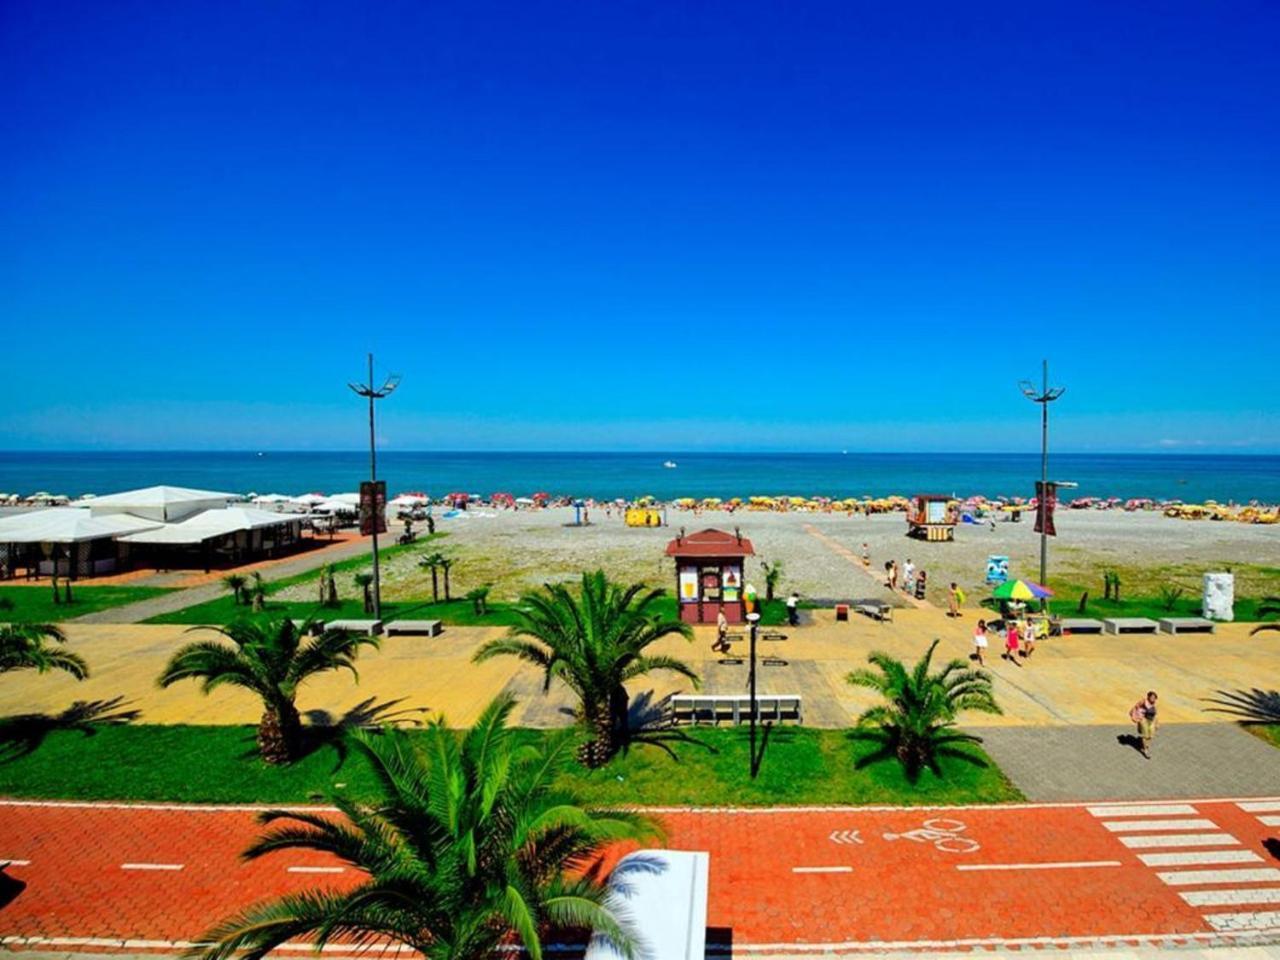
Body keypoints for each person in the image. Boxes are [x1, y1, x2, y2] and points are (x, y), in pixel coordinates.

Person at [1129, 690, 1159, 758]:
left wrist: (1157, 722)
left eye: (1154, 698)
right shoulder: (1143, 701)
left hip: (1151, 720)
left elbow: (1155, 713)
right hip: (1143, 719)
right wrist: (1135, 716)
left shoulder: (1153, 703)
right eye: (1152, 697)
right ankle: (1145, 750)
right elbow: (1136, 707)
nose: (1153, 699)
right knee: (1145, 735)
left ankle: (1145, 745)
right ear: (1148, 697)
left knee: (1151, 735)